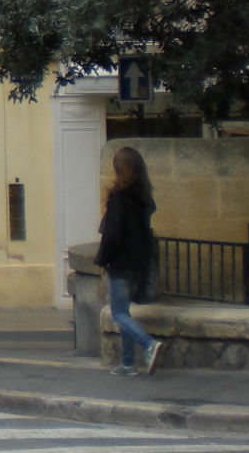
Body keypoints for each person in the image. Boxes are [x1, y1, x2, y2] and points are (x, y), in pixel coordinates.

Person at [95, 146, 164, 376]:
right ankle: (127, 364)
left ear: (119, 169)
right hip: (139, 263)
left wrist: (103, 259)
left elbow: (113, 234)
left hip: (121, 262)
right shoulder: (144, 198)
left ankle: (149, 344)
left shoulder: (120, 198)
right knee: (125, 311)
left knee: (119, 314)